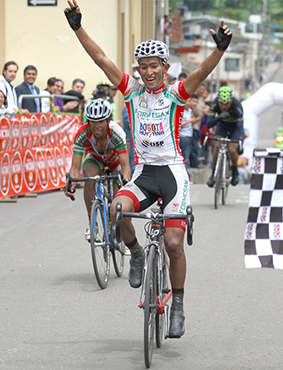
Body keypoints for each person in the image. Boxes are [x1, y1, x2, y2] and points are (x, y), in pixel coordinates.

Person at [64, 0, 232, 338]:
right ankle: (137, 253)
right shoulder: (130, 92)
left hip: (172, 174)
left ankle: (179, 305)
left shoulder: (175, 94)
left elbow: (200, 74)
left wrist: (219, 51)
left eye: (154, 66)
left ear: (165, 67)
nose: (148, 72)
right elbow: (101, 59)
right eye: (143, 67)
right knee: (115, 209)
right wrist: (77, 28)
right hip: (144, 174)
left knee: (173, 243)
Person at [65, 98, 131, 240]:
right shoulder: (83, 133)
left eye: (101, 121)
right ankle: (92, 223)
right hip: (96, 159)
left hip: (115, 161)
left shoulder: (117, 132)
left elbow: (126, 166)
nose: (97, 126)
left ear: (108, 121)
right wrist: (72, 183)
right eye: (93, 122)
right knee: (88, 176)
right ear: (88, 122)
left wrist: (125, 180)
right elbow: (75, 168)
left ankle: (120, 229)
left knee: (118, 193)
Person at [206, 86, 244, 187]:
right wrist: (218, 118)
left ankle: (235, 171)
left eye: (226, 103)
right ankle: (213, 174)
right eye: (221, 103)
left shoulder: (237, 105)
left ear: (231, 101)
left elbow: (240, 126)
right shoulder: (214, 103)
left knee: (232, 150)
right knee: (217, 146)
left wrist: (240, 141)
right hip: (222, 126)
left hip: (235, 128)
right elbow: (209, 124)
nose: (223, 106)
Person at [180, 94, 199, 182]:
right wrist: (190, 121)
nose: (188, 103)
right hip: (182, 136)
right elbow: (178, 125)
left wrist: (194, 121)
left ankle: (186, 175)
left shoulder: (190, 110)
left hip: (189, 135)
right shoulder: (180, 111)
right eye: (187, 101)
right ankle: (185, 176)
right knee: (184, 157)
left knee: (186, 157)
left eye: (189, 101)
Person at [122, 106, 135, 176]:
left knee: (131, 160)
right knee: (132, 161)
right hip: (131, 138)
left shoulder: (125, 108)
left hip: (129, 137)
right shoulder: (128, 108)